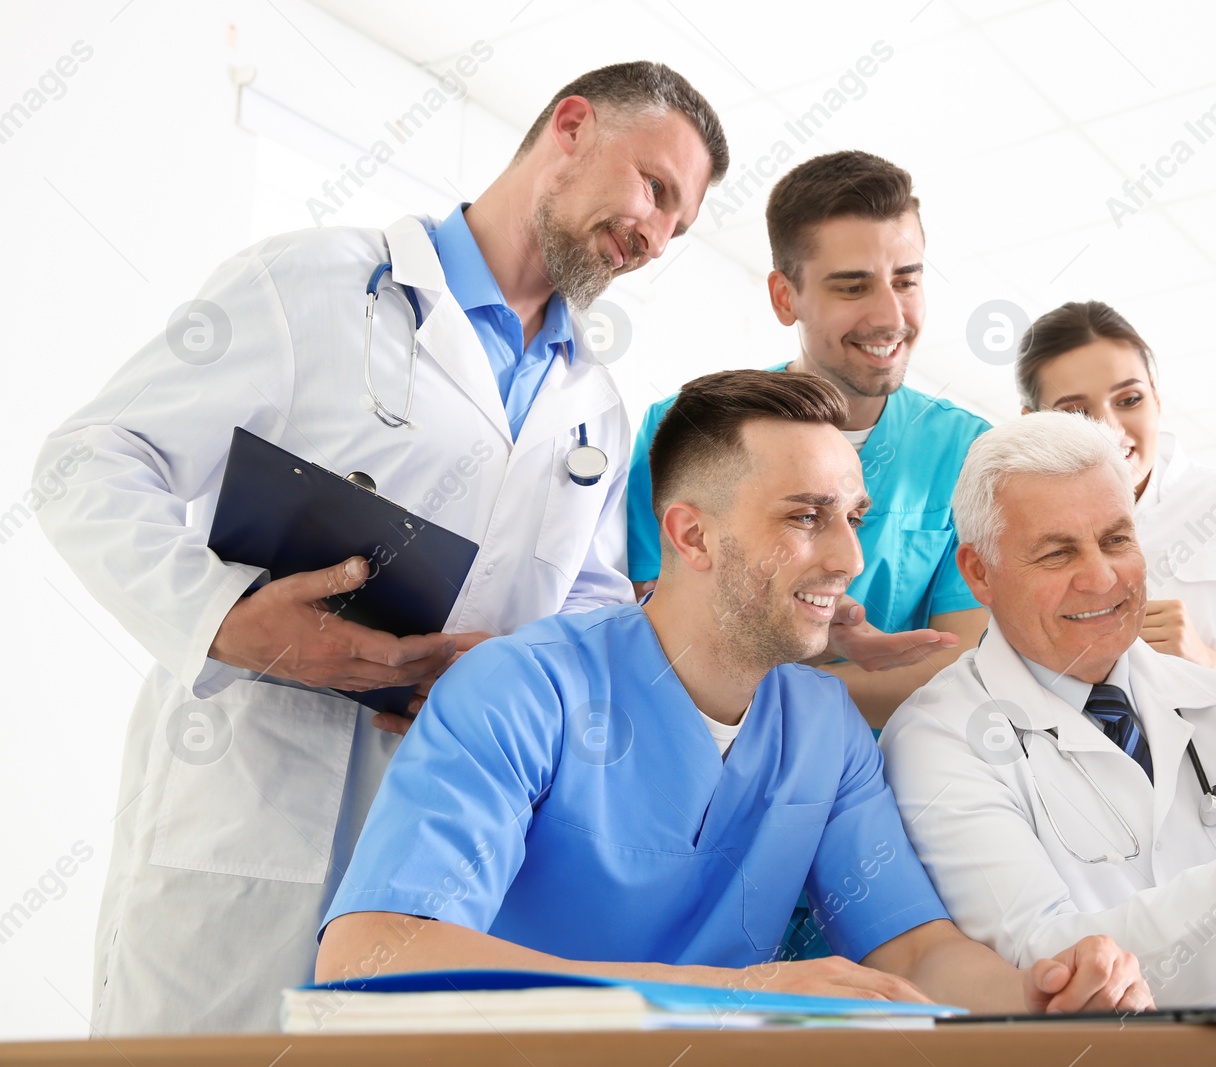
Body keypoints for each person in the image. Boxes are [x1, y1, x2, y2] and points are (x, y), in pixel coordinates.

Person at [32, 62, 727, 1034]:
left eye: (679, 225)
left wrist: (523, 675)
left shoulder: (594, 408)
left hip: (439, 846)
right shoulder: (308, 283)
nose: (655, 234)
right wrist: (226, 620)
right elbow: (88, 463)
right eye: (655, 187)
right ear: (570, 127)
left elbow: (587, 606)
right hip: (251, 805)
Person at [316, 371, 1152, 1015]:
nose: (848, 560)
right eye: (806, 517)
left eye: (852, 517)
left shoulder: (822, 730)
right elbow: (370, 949)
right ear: (691, 534)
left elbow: (915, 952)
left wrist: (1041, 988)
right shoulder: (522, 689)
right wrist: (739, 993)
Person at [879, 413, 1216, 1006]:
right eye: (1057, 553)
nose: (1100, 576)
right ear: (979, 573)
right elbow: (1047, 965)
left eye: (1116, 540)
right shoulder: (935, 737)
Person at [625, 151, 991, 729]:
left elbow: (955, 668)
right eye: (853, 287)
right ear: (784, 297)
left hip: (884, 778)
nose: (889, 315)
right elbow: (666, 631)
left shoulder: (972, 455)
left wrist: (750, 680)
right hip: (693, 747)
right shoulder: (682, 429)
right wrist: (834, 665)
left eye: (906, 280)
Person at [1016, 301, 1216, 674]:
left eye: (1129, 400)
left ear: (1156, 400)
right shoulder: (1016, 532)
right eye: (1075, 412)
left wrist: (1207, 661)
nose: (1110, 429)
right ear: (1033, 425)